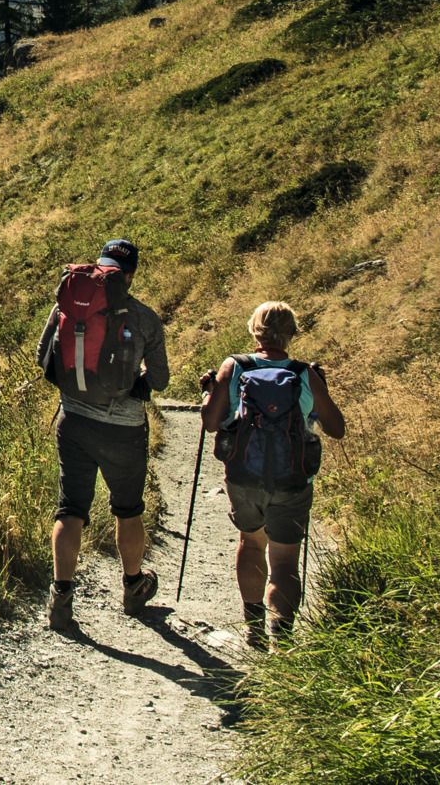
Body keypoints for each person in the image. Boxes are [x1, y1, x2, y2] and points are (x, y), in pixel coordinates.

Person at [39, 238, 170, 629]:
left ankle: (61, 598)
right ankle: (133, 587)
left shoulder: (68, 303)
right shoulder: (145, 318)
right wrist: (136, 381)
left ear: (100, 267)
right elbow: (160, 380)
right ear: (130, 275)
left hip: (73, 422)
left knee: (71, 508)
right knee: (128, 509)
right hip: (124, 430)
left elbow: (42, 355)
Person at [200, 301, 346, 646]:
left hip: (243, 477)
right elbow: (337, 429)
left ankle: (253, 627)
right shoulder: (304, 373)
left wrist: (209, 392)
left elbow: (209, 423)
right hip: (292, 481)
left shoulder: (234, 367)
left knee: (250, 543)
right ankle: (283, 635)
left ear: (254, 330)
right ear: (292, 333)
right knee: (284, 561)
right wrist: (319, 389)